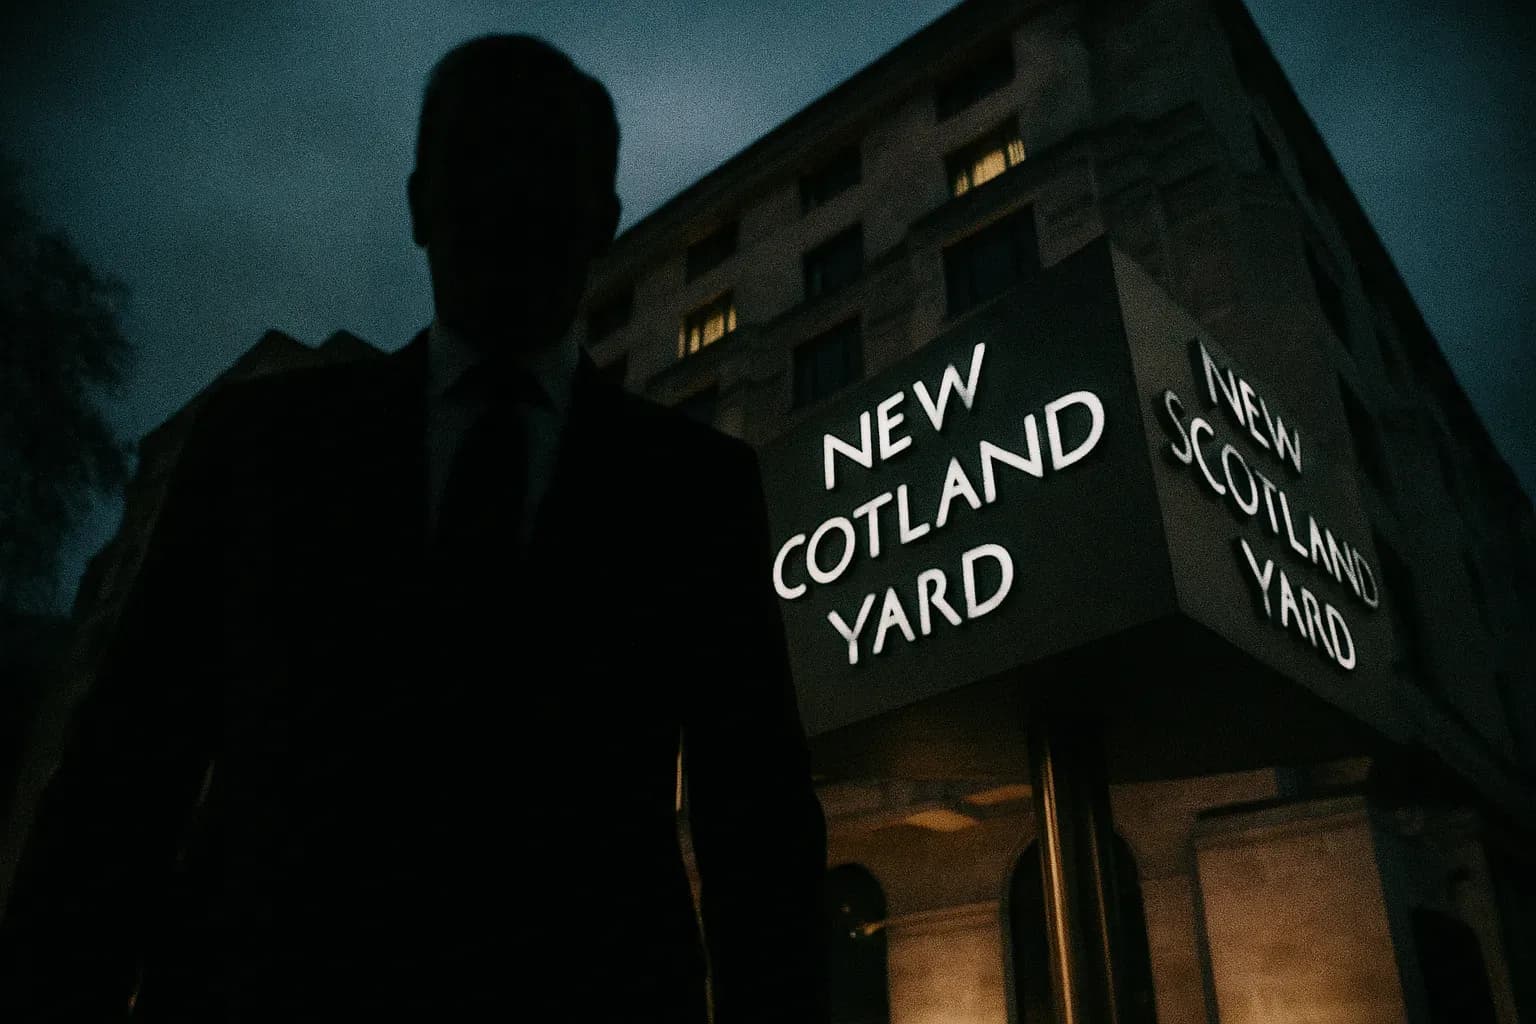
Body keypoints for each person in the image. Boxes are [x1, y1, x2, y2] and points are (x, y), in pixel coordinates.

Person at [0, 34, 830, 1023]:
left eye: (546, 164)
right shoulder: (264, 446)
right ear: (418, 201)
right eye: (483, 156)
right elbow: (121, 785)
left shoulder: (696, 488)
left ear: (603, 216)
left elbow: (760, 832)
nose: (512, 196)